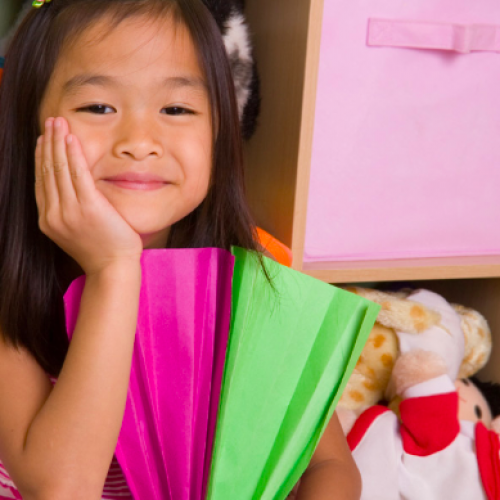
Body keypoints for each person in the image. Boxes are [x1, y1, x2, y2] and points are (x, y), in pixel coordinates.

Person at [0, 1, 361, 499]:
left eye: (176, 109)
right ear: (28, 127)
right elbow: (61, 489)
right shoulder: (9, 289)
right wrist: (113, 270)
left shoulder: (249, 283)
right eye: (98, 107)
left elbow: (327, 467)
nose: (140, 141)